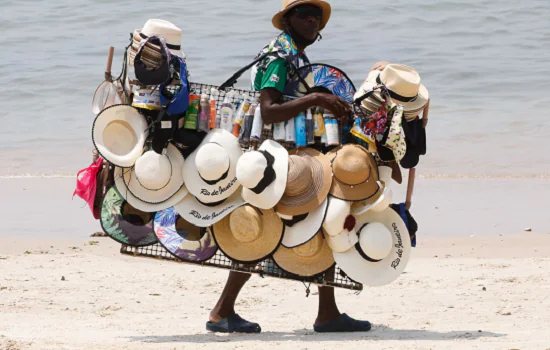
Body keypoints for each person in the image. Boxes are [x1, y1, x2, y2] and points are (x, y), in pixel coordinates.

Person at [206, 0, 373, 334]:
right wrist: (317, 99)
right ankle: (222, 311)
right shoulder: (279, 57)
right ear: (287, 19)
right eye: (304, 16)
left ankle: (327, 312)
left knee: (320, 218)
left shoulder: (295, 53)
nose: (312, 22)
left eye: (317, 17)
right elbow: (268, 109)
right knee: (269, 226)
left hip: (294, 152)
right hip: (276, 156)